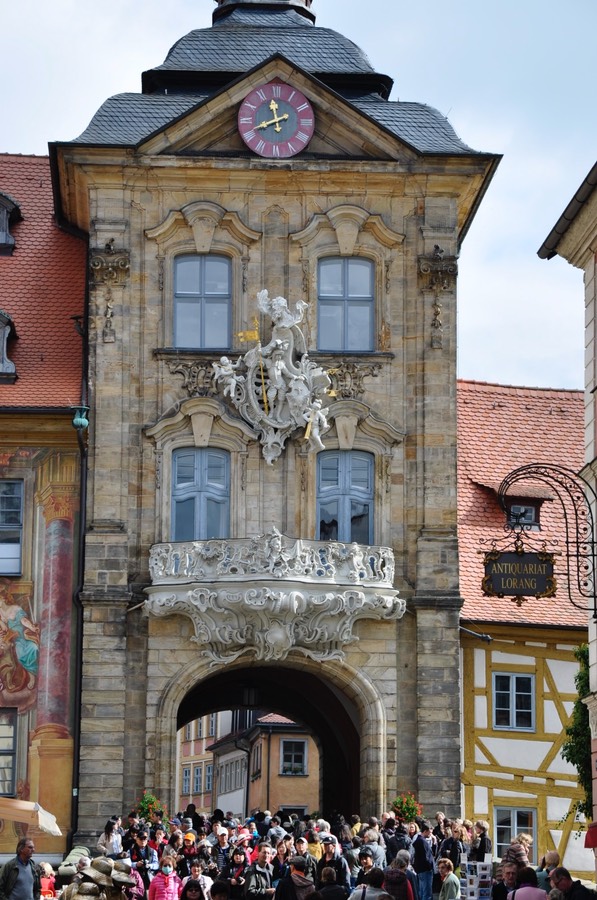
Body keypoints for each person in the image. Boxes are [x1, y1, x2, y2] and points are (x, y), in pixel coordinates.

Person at [410, 823, 433, 900]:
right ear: (425, 831)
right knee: (426, 893)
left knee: (422, 891)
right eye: (429, 832)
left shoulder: (419, 841)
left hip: (420, 869)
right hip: (425, 870)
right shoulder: (422, 842)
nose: (430, 834)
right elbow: (426, 857)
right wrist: (430, 867)